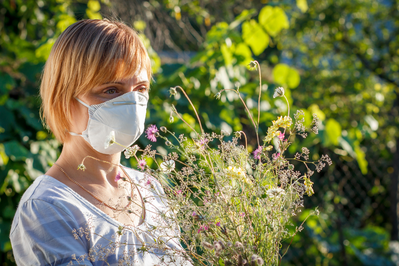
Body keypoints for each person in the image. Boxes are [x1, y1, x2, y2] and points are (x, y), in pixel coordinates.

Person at [10, 19, 190, 266]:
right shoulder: (47, 208)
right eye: (111, 90)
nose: (131, 103)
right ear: (63, 98)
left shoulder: (149, 188)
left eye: (140, 88)